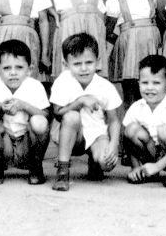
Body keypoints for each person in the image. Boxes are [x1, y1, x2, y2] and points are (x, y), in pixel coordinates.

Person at [50, 34, 122, 191]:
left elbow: (114, 120)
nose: (84, 68)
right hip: (70, 135)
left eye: (89, 62)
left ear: (98, 61)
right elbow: (57, 113)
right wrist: (80, 101)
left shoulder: (105, 86)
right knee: (71, 116)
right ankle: (63, 171)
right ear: (66, 64)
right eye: (77, 64)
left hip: (96, 133)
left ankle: (95, 162)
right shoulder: (63, 81)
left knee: (107, 163)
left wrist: (113, 144)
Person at [0, 40, 50, 186]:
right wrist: (0, 110)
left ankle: (36, 166)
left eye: (19, 67)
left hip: (26, 144)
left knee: (39, 122)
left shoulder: (35, 86)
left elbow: (45, 116)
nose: (13, 73)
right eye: (6, 68)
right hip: (4, 144)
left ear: (29, 69)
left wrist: (24, 105)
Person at [122, 55, 166, 188]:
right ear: (139, 83)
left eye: (156, 83)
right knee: (131, 129)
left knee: (164, 131)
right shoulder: (137, 107)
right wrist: (135, 166)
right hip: (154, 152)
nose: (149, 88)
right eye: (145, 82)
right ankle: (147, 172)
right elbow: (127, 139)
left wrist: (157, 166)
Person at [105, 0, 161, 103]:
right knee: (130, 91)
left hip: (151, 51)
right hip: (128, 53)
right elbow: (109, 33)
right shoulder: (115, 2)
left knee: (152, 88)